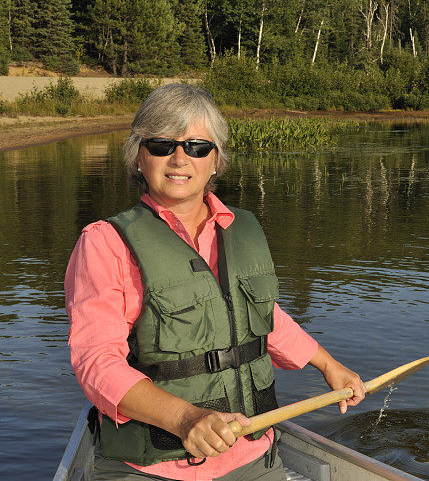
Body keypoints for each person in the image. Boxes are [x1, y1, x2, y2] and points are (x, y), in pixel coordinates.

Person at [65, 84, 366, 481]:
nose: (178, 159)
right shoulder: (104, 243)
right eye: (160, 144)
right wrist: (186, 418)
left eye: (196, 146)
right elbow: (96, 363)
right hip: (151, 468)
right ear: (139, 156)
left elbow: (261, 317)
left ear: (216, 160)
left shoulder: (241, 229)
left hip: (253, 459)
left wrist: (329, 366)